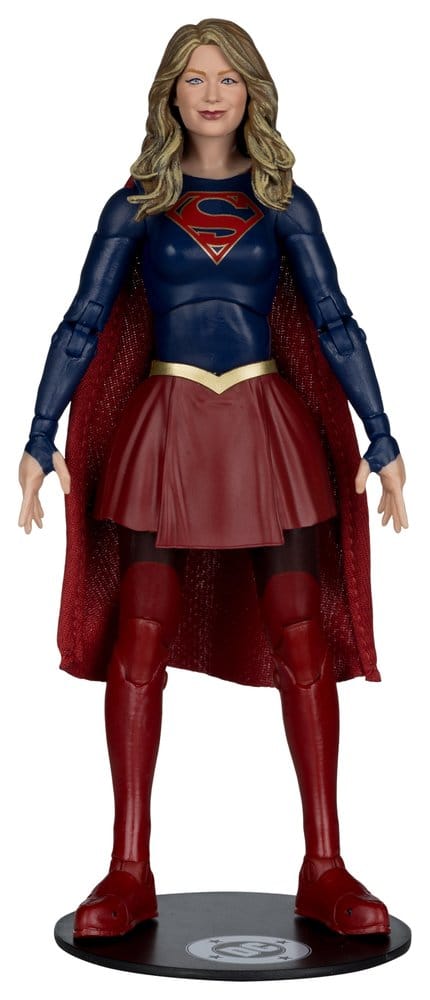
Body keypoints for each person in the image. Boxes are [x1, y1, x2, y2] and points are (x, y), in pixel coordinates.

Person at [18, 19, 407, 939]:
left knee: (301, 635)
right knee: (140, 637)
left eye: (228, 77)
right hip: (166, 425)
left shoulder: (284, 202)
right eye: (194, 78)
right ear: (170, 91)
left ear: (252, 91)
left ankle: (325, 865)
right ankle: (128, 870)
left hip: (268, 425)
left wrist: (382, 436)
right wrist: (39, 433)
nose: (211, 93)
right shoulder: (137, 204)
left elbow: (335, 319)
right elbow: (83, 320)